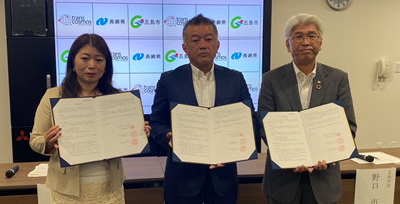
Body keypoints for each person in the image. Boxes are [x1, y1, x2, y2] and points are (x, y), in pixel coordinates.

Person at [30, 33, 151, 203]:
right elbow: (35, 140)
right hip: (68, 191)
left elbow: (127, 138)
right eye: (85, 58)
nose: (92, 65)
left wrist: (139, 133)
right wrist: (49, 142)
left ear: (106, 65)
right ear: (72, 61)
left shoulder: (119, 100)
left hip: (110, 189)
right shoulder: (53, 96)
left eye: (99, 60)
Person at [150, 14, 257, 204]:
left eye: (208, 39)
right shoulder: (169, 80)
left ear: (217, 45)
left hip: (224, 180)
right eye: (195, 40)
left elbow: (249, 122)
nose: (203, 44)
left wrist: (235, 149)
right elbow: (157, 122)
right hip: (182, 181)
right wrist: (168, 136)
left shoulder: (235, 79)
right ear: (185, 48)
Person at [258, 13, 357, 204]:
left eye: (312, 36)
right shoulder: (272, 79)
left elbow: (348, 126)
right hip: (283, 183)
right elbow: (264, 126)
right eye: (298, 36)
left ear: (320, 43)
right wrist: (291, 155)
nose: (306, 41)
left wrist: (328, 155)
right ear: (288, 45)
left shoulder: (338, 79)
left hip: (324, 182)